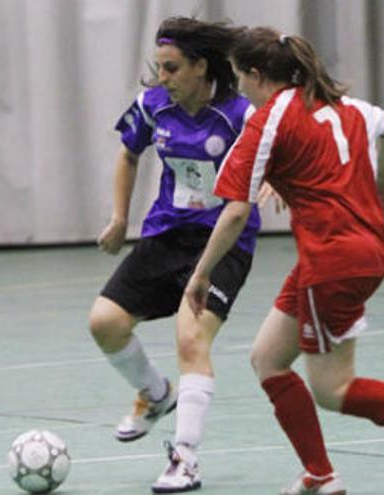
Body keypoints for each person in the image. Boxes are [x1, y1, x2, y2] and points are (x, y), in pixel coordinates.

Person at [184, 27, 384, 494]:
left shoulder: (268, 119)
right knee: (268, 357)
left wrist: (201, 274)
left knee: (333, 389)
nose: (238, 86)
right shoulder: (342, 107)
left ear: (258, 75)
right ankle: (320, 475)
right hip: (355, 251)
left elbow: (237, 210)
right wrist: (382, 175)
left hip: (333, 260)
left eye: (240, 76)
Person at [88, 16, 260, 493]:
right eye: (159, 67)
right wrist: (120, 218)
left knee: (191, 339)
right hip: (165, 235)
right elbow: (128, 155)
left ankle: (185, 459)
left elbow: (271, 160)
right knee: (104, 323)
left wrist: (276, 184)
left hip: (223, 242)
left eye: (172, 68)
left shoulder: (240, 115)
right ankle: (154, 394)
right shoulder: (152, 106)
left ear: (201, 67)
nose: (162, 77)